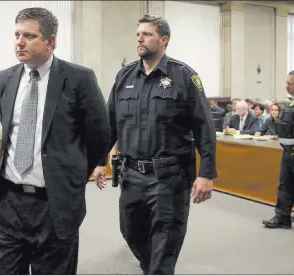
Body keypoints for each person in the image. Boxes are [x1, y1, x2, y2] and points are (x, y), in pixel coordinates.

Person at [0, 7, 110, 274]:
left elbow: (100, 136)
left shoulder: (79, 79)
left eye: (29, 36)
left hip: (54, 208)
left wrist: (72, 177)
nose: (19, 42)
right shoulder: (4, 79)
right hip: (7, 203)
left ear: (51, 42)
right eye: (17, 34)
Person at [93, 15, 217, 275]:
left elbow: (204, 127)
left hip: (169, 177)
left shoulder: (184, 76)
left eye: (147, 34)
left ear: (164, 40)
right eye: (138, 33)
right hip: (131, 175)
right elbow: (110, 124)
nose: (139, 38)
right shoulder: (125, 75)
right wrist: (98, 161)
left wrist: (206, 173)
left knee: (166, 240)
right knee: (130, 231)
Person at [263, 70, 294, 229]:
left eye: (290, 83)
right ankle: (282, 217)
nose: (286, 86)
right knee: (286, 185)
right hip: (289, 153)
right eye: (286, 82)